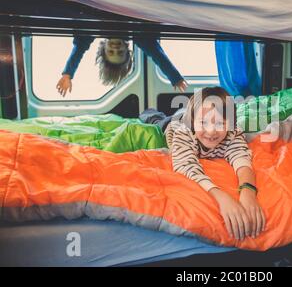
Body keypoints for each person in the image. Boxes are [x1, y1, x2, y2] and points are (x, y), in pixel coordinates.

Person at [165, 86, 265, 241]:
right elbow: (186, 165)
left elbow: (242, 160)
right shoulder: (184, 133)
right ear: (193, 122)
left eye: (220, 123)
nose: (211, 131)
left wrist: (248, 191)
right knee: (156, 119)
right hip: (172, 125)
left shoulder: (233, 133)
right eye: (203, 122)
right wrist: (221, 197)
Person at [56, 36, 188, 96]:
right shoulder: (139, 35)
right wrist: (174, 77)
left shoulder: (92, 29)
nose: (115, 48)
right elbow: (156, 54)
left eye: (111, 52)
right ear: (126, 49)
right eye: (120, 52)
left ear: (103, 49)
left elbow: (80, 47)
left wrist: (67, 74)